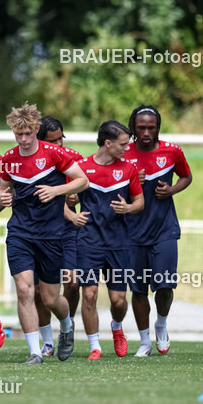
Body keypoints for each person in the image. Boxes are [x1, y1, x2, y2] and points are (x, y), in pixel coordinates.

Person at [0, 103, 88, 363]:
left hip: (51, 235)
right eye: (18, 133)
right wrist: (3, 198)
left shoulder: (53, 154)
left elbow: (83, 180)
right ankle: (35, 352)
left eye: (27, 133)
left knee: (49, 299)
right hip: (20, 233)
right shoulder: (9, 159)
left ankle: (67, 324)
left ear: (36, 129)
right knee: (25, 291)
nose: (23, 139)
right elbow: (4, 191)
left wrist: (56, 191)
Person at [124, 105, 193, 356]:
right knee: (139, 289)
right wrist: (130, 183)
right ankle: (144, 342)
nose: (146, 132)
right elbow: (110, 184)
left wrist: (172, 190)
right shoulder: (122, 153)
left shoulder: (172, 151)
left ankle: (161, 324)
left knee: (164, 286)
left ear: (157, 128)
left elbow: (186, 176)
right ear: (133, 127)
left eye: (151, 128)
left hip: (164, 230)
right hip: (131, 233)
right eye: (141, 127)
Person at [75, 121, 144, 359]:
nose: (127, 148)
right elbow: (64, 200)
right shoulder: (81, 167)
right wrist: (72, 214)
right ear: (108, 143)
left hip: (119, 242)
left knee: (118, 300)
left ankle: (116, 327)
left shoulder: (128, 169)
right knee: (90, 295)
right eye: (123, 144)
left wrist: (129, 208)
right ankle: (94, 346)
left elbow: (140, 202)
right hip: (89, 242)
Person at [33, 116, 85, 357]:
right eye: (52, 141)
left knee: (73, 283)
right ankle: (47, 342)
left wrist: (74, 196)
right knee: (36, 292)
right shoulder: (33, 160)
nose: (58, 145)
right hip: (40, 230)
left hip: (66, 232)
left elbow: (85, 185)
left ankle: (67, 327)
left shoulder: (71, 156)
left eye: (60, 139)